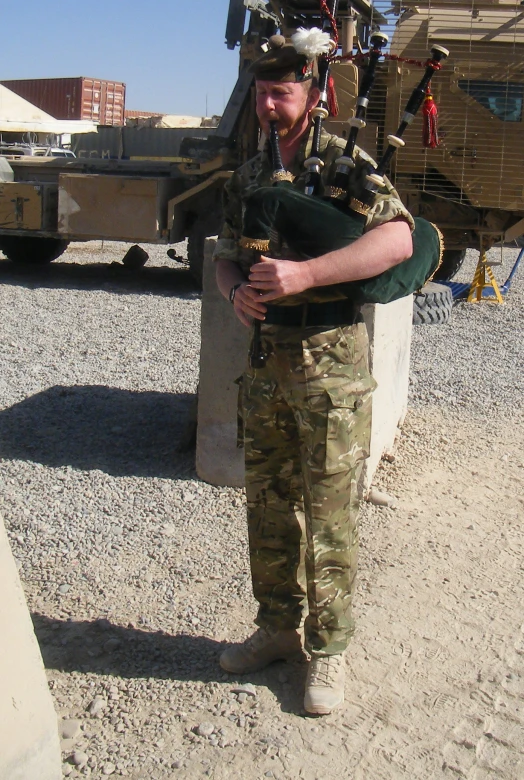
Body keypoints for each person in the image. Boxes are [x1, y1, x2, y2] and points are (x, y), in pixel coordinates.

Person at [213, 32, 414, 715]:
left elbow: (401, 238)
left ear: (312, 94)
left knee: (330, 517)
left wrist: (307, 272)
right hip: (266, 364)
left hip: (331, 367)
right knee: (268, 509)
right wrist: (233, 287)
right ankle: (277, 629)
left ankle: (328, 652)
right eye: (263, 93)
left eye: (284, 92)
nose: (271, 104)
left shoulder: (342, 162)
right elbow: (226, 253)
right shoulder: (249, 173)